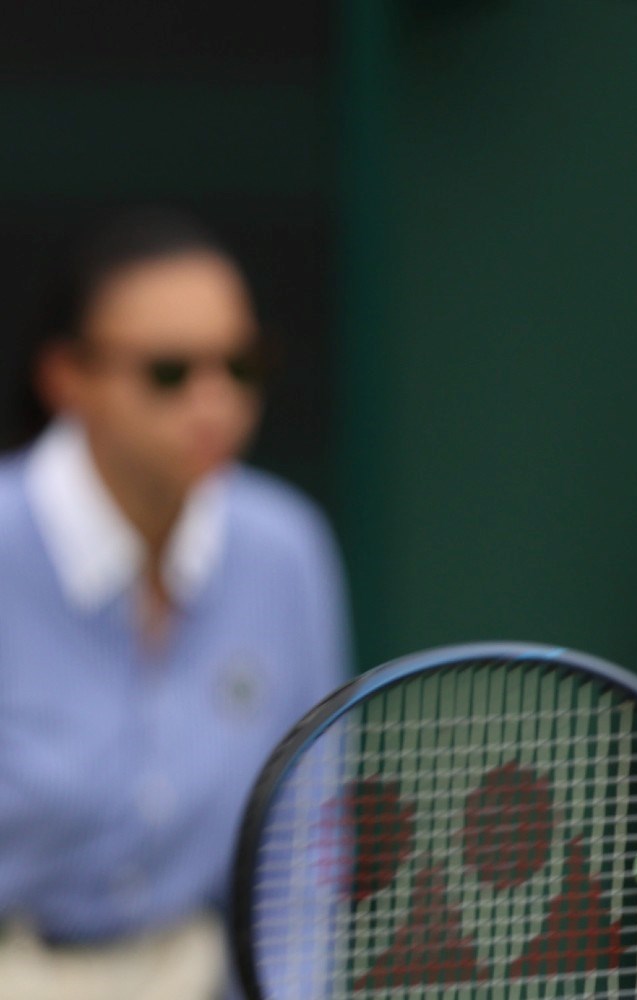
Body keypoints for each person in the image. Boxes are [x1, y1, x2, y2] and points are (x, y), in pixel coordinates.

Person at [0, 208, 348, 999]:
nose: (214, 399)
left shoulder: (285, 551)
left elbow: (308, 838)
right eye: (168, 371)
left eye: (242, 366)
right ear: (65, 377)